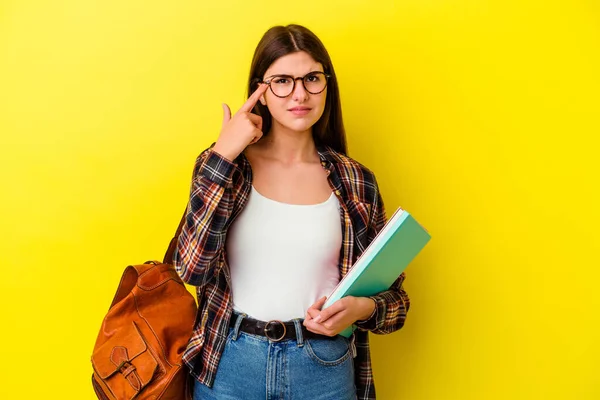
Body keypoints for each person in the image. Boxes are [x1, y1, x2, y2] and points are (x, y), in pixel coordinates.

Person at [174, 24, 410, 400]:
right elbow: (191, 268)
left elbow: (396, 303)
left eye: (312, 78)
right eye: (282, 80)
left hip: (322, 367)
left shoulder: (355, 181)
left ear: (326, 86)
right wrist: (223, 155)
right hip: (231, 365)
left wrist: (360, 308)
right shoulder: (225, 166)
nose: (300, 93)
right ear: (260, 93)